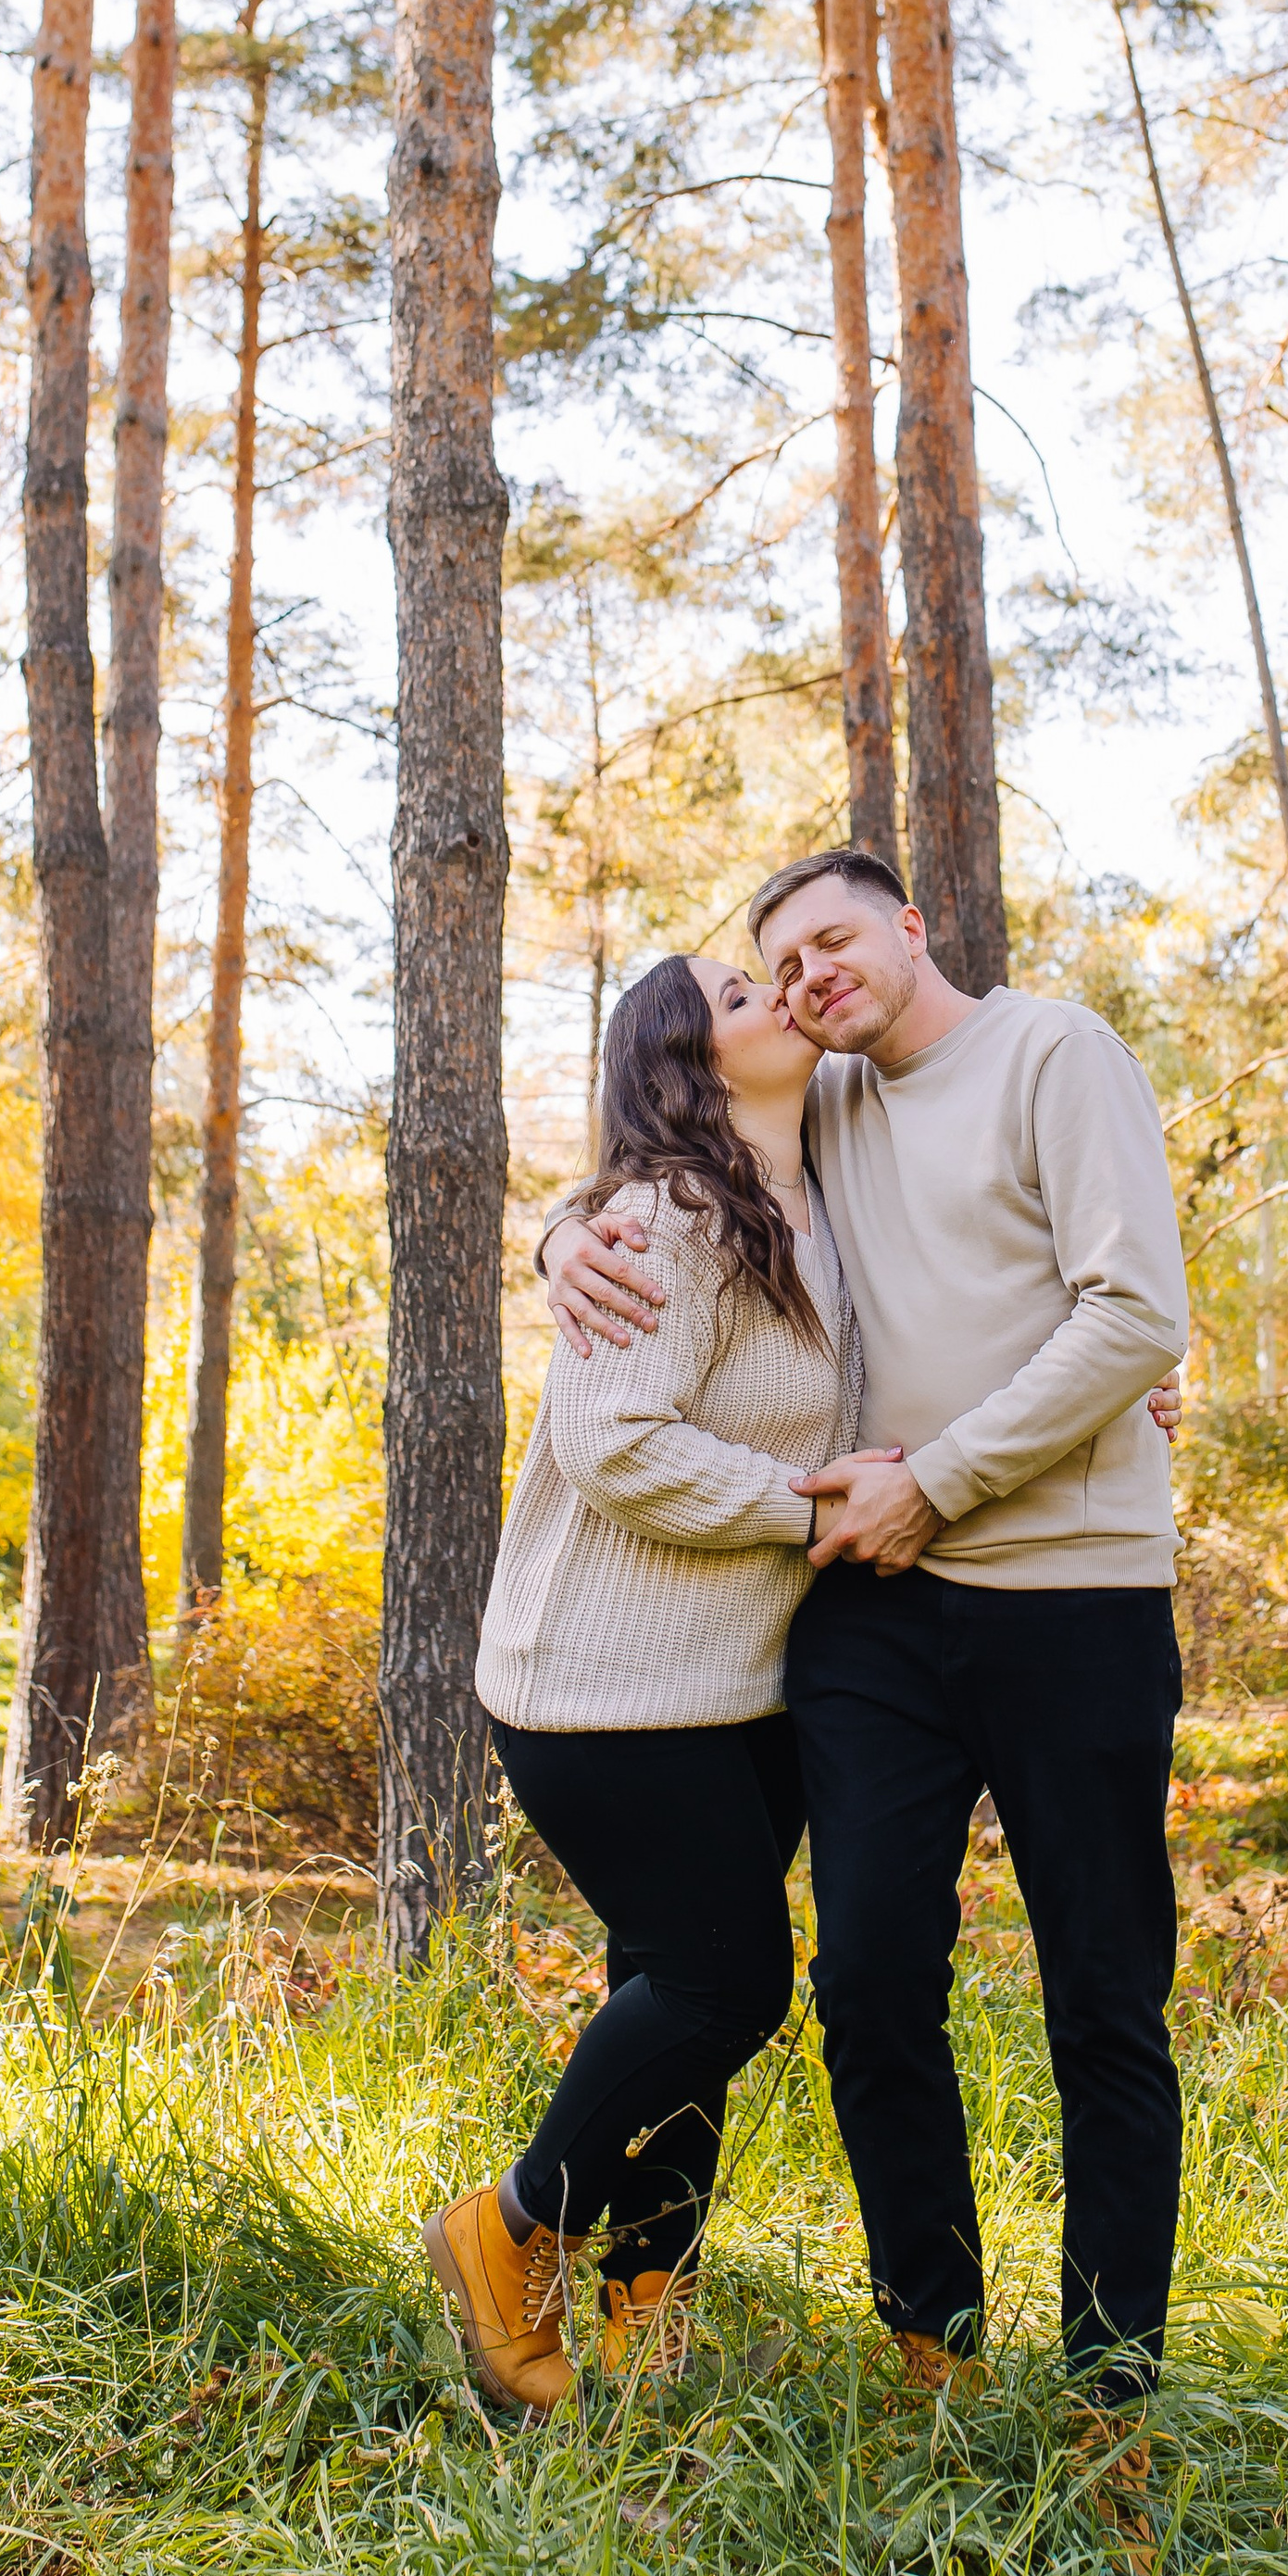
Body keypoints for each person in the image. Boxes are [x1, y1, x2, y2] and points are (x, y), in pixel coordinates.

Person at [543, 848, 1188, 2403]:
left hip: (1074, 1593)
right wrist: (561, 1236)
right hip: (875, 1616)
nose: (808, 978)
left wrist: (941, 1480)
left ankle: (1112, 2386)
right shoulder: (818, 1100)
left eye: (830, 941)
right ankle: (936, 2348)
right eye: (779, 966)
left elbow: (1136, 1317)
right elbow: (670, 1148)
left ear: (911, 923)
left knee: (1103, 1994)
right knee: (871, 1984)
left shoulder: (1054, 1052)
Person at [424, 948, 862, 2416]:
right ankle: (508, 2230)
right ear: (686, 1065)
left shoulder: (829, 1192)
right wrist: (810, 1507)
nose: (778, 999)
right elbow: (616, 1441)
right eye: (738, 998)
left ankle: (643, 2296)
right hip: (601, 1691)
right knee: (728, 1982)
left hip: (742, 1688)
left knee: (669, 1987)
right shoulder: (668, 1215)